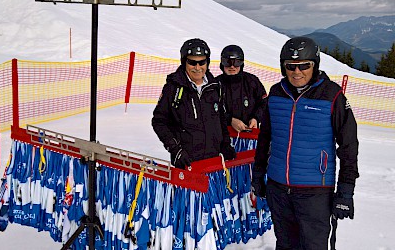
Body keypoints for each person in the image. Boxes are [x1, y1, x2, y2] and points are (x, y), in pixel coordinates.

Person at [252, 36, 359, 249]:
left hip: (315, 193)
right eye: (291, 66)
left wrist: (345, 191)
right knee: (285, 244)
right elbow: (265, 139)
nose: (297, 72)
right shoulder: (275, 93)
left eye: (304, 66)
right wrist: (258, 175)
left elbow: (348, 147)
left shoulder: (332, 95)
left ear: (314, 65)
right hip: (278, 188)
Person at [152, 38, 236, 169]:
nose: (197, 68)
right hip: (187, 164)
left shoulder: (214, 87)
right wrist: (176, 150)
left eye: (202, 62)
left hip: (214, 163)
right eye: (192, 62)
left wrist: (225, 144)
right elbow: (159, 121)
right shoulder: (174, 88)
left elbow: (221, 119)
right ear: (184, 62)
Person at [216, 45, 268, 132]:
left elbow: (264, 103)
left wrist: (256, 118)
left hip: (249, 136)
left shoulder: (252, 81)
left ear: (242, 64)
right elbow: (210, 110)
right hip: (223, 136)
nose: (232, 67)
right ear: (222, 63)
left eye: (236, 63)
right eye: (228, 62)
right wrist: (230, 120)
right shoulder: (215, 84)